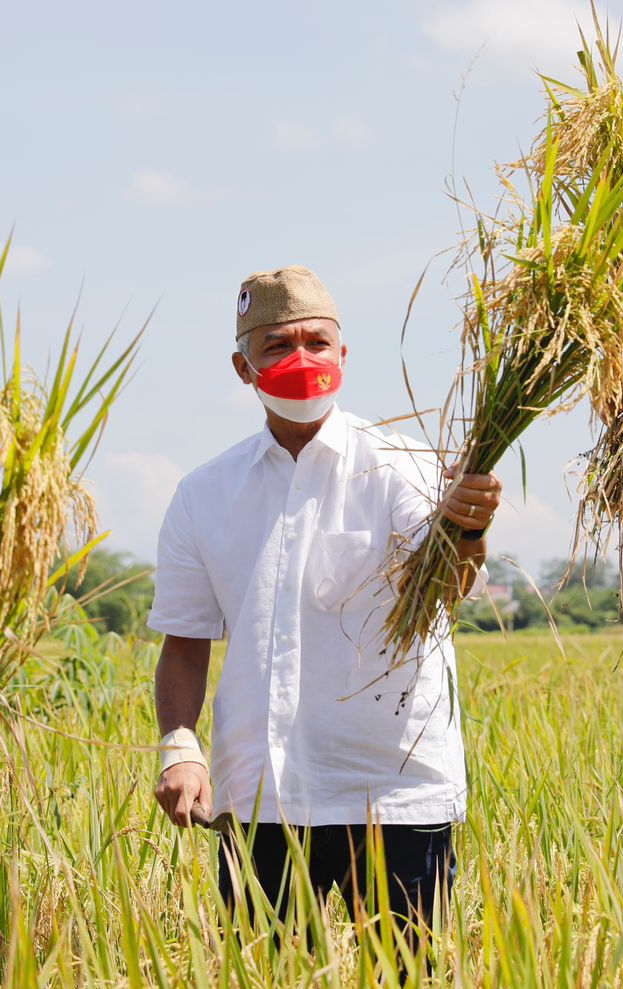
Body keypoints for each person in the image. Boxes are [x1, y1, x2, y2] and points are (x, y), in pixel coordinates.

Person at [148, 265, 500, 938]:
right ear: (243, 367)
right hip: (261, 796)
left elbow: (448, 590)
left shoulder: (407, 468)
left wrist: (469, 528)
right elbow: (184, 641)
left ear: (343, 354)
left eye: (317, 342)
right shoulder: (203, 494)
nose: (302, 359)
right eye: (278, 346)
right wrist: (179, 745)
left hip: (395, 792)